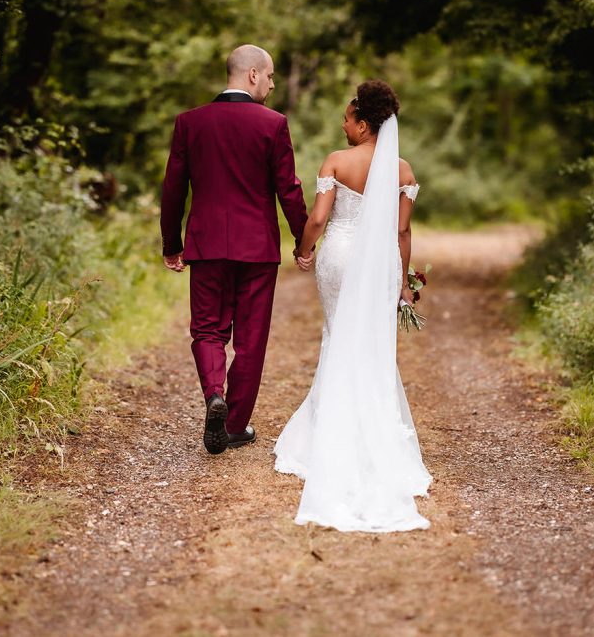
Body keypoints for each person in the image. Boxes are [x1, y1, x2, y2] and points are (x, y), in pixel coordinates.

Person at [273, 80, 432, 532]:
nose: (342, 125)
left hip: (340, 255)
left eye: (347, 118)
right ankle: (373, 439)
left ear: (364, 125)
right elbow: (402, 234)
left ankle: (330, 438)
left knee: (336, 335)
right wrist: (402, 281)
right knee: (371, 345)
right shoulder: (403, 171)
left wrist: (304, 251)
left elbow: (319, 217)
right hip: (380, 261)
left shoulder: (337, 162)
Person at [160, 44, 309, 455]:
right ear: (253, 75)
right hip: (257, 248)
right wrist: (303, 239)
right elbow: (289, 189)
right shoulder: (273, 124)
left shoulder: (190, 122)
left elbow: (174, 188)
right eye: (271, 75)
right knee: (251, 338)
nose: (274, 83)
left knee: (207, 329)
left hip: (206, 244)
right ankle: (234, 425)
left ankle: (213, 396)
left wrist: (172, 243)